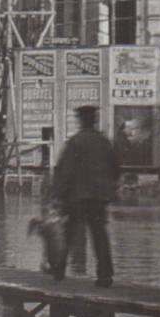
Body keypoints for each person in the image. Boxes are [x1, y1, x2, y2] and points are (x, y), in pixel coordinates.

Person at [51, 105, 120, 287]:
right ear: (94, 120)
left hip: (78, 196)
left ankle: (59, 269)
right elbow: (115, 169)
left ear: (81, 120)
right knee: (99, 234)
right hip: (99, 197)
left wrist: (58, 194)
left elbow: (64, 171)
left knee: (69, 232)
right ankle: (105, 274)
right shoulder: (104, 142)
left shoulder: (75, 142)